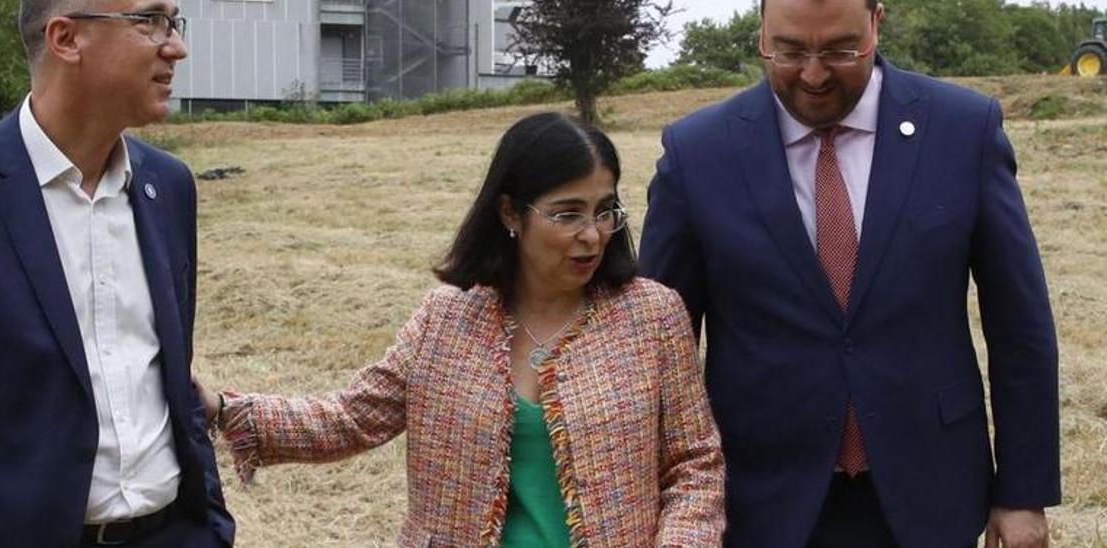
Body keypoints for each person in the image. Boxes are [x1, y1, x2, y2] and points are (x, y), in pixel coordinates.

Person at [638, 0, 1060, 546]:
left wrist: (1022, 492)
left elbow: (1019, 325)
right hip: (760, 499)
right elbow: (657, 347)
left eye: (840, 50)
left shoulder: (962, 130)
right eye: (788, 51)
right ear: (761, 29)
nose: (813, 75)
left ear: (877, 23)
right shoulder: (697, 153)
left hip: (931, 492)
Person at [197, 112, 725, 546]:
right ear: (510, 213)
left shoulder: (652, 317)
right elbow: (351, 418)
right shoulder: (446, 321)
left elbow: (694, 463)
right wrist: (224, 410)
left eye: (605, 210)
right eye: (567, 214)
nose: (593, 235)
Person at [0, 1, 234, 546]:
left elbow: (171, 376)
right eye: (149, 21)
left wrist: (211, 522)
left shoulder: (169, 186)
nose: (175, 46)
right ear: (66, 39)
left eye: (173, 22)